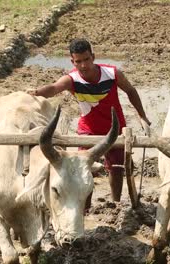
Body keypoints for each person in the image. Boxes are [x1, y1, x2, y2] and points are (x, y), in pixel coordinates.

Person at [27, 38, 151, 206]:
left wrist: (142, 116)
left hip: (114, 128)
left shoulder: (112, 73)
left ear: (93, 56)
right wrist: (36, 92)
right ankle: (85, 206)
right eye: (78, 61)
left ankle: (114, 204)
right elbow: (54, 88)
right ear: (73, 61)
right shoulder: (72, 79)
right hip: (88, 130)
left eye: (86, 59)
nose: (84, 65)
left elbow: (130, 90)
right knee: (84, 169)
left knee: (115, 168)